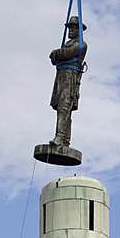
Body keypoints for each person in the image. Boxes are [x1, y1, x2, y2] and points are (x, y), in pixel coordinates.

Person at [48, 16, 88, 146]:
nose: (70, 30)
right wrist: (57, 55)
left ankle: (60, 137)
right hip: (62, 76)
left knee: (65, 107)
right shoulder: (68, 44)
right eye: (69, 28)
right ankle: (65, 139)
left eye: (73, 28)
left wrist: (56, 53)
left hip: (70, 77)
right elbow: (56, 59)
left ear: (79, 30)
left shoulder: (81, 44)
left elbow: (66, 54)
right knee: (62, 107)